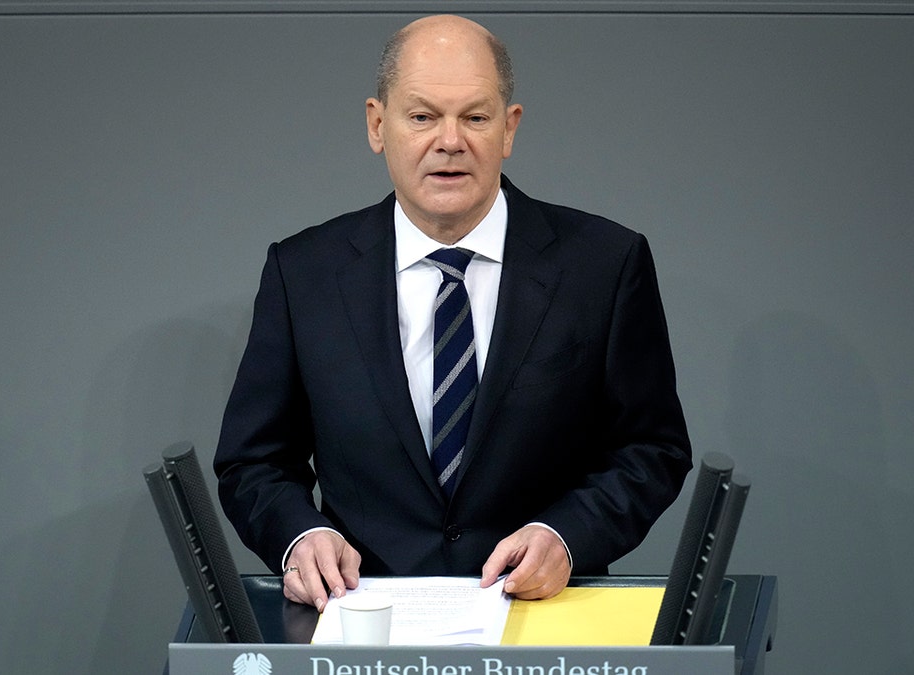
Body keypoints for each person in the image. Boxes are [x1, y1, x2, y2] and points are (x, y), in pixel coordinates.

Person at [213, 14, 692, 612]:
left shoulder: (605, 263)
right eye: (422, 116)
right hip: (364, 621)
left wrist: (567, 537)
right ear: (377, 124)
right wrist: (301, 538)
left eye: (475, 116)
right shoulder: (303, 272)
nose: (449, 141)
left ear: (509, 128)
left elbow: (652, 448)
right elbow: (253, 462)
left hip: (538, 619)